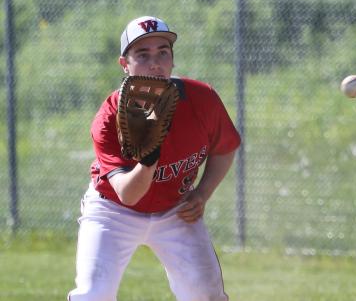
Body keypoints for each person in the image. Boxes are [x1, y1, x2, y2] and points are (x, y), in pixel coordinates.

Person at [68, 16, 241, 301]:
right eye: (143, 55)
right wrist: (149, 158)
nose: (155, 63)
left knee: (206, 295)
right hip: (113, 211)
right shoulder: (109, 117)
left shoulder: (201, 99)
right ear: (125, 65)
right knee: (93, 294)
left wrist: (202, 193)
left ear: (172, 59)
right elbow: (128, 194)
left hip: (176, 209)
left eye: (163, 52)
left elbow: (225, 147)